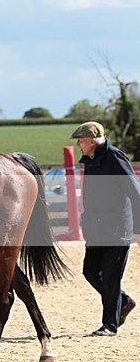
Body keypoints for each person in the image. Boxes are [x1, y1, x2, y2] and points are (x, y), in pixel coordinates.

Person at [72, 121, 140, 336]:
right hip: (97, 229)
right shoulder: (91, 159)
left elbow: (135, 193)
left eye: (81, 141)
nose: (78, 145)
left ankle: (110, 325)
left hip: (117, 229)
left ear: (93, 139)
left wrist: (138, 229)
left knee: (111, 277)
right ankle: (124, 301)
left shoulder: (114, 157)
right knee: (90, 271)